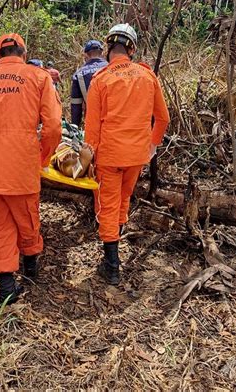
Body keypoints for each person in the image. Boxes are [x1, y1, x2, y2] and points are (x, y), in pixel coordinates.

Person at [0, 33, 62, 305]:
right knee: (27, 218)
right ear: (24, 53)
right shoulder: (39, 77)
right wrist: (41, 156)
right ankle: (30, 269)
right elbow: (52, 128)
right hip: (21, 164)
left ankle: (6, 287)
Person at [85, 24, 170, 286]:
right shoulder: (147, 77)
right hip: (136, 155)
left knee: (108, 206)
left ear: (109, 48)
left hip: (110, 155)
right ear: (132, 49)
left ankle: (111, 266)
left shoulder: (101, 79)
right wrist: (152, 145)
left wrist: (90, 156)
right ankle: (112, 255)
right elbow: (163, 119)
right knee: (123, 200)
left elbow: (92, 126)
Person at [70, 40, 108, 127]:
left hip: (93, 119)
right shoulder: (111, 68)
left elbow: (76, 104)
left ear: (86, 55)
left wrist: (75, 126)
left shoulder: (79, 74)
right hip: (114, 118)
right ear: (102, 53)